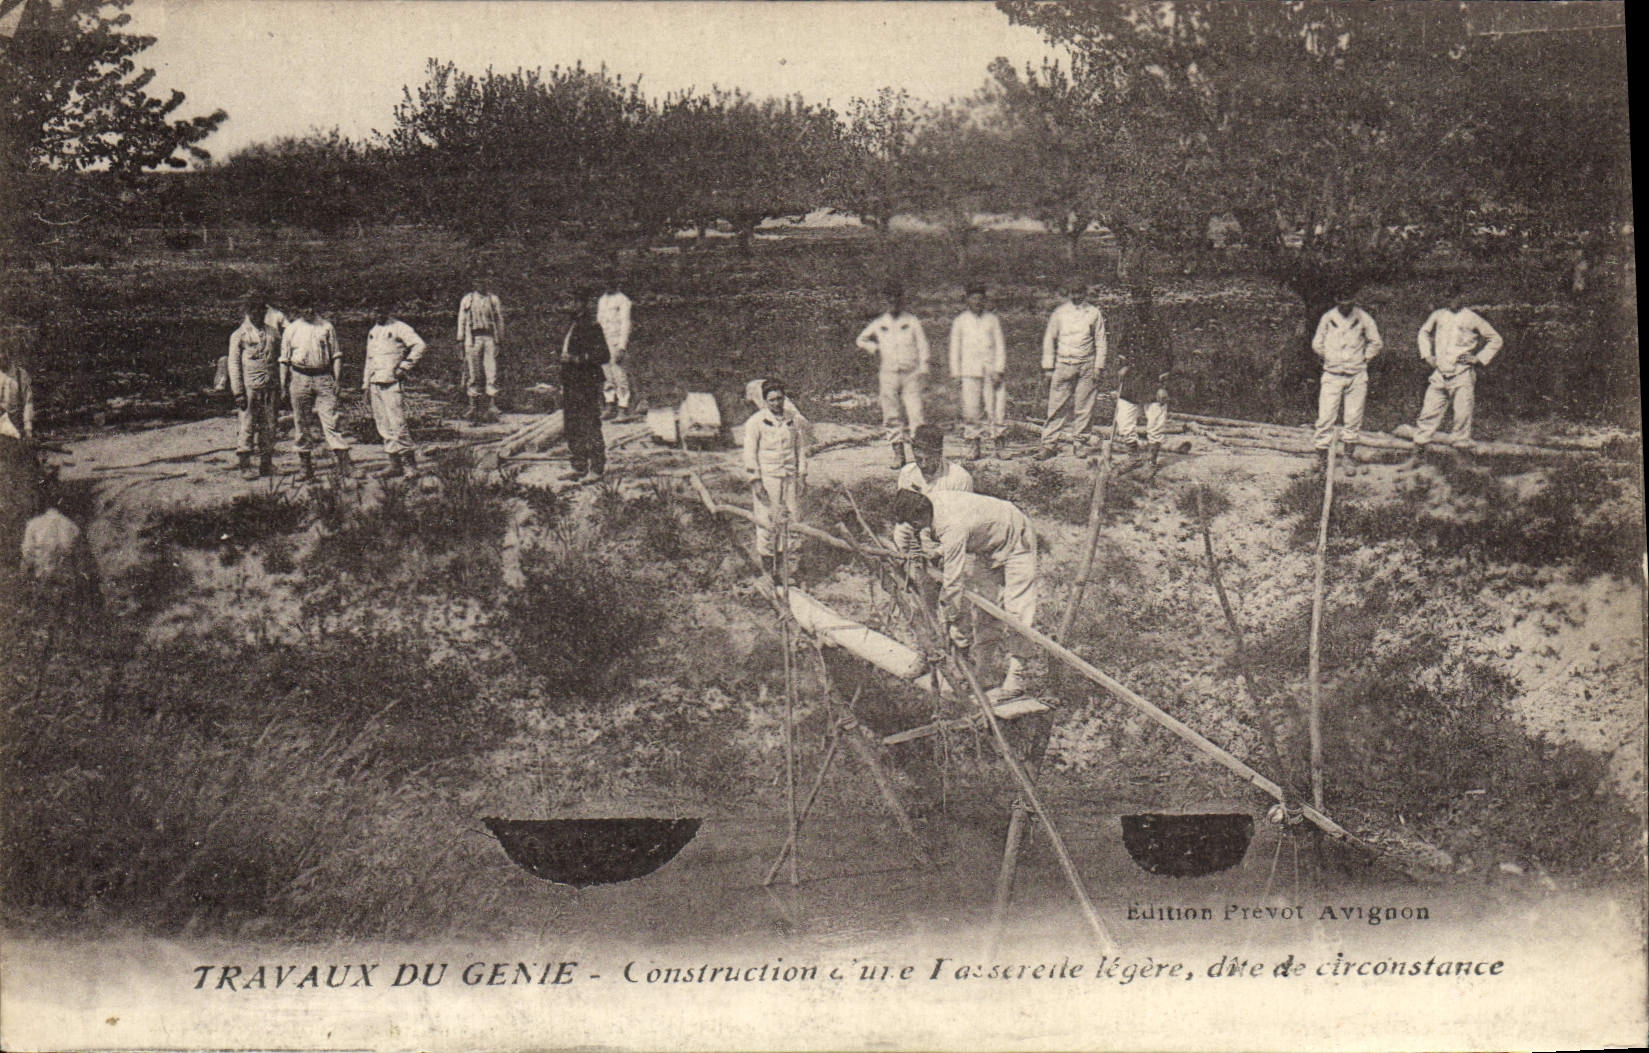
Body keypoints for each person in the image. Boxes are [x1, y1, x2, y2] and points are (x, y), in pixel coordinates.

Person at [888, 488, 1041, 699]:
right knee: (987, 611)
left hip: (1017, 538)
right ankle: (982, 674)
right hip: (987, 546)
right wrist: (932, 554)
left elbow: (953, 583)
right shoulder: (926, 506)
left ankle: (1018, 676)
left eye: (913, 524)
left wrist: (955, 627)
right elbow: (967, 532)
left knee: (1017, 611)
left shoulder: (952, 526)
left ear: (919, 518)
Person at [1406, 286, 1504, 464]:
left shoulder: (1472, 317)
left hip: (1462, 373)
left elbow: (1495, 339)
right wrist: (1427, 355)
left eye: (1454, 296)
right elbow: (1423, 332)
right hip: (1440, 373)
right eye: (1447, 296)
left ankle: (1462, 460)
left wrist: (1478, 358)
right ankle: (1417, 457)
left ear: (1462, 297)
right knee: (1427, 413)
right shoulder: (1438, 315)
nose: (1451, 300)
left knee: (1462, 415)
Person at [279, 293, 359, 481]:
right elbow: (284, 359)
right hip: (299, 377)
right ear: (298, 309)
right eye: (303, 306)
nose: (308, 310)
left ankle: (346, 465)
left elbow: (336, 355)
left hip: (323, 376)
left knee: (331, 421)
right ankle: (305, 468)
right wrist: (283, 384)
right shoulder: (291, 329)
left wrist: (337, 381)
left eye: (311, 305)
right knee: (301, 423)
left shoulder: (326, 326)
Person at [856, 283, 930, 469]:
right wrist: (875, 348)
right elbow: (861, 339)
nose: (893, 303)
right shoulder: (880, 323)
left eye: (896, 299)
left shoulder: (911, 321)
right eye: (889, 299)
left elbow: (922, 345)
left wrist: (924, 367)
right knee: (891, 414)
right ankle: (898, 453)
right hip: (888, 373)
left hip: (911, 373)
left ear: (901, 300)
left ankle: (919, 454)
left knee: (916, 414)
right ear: (884, 301)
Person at [1309, 293, 1383, 477]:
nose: (1346, 305)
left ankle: (1348, 458)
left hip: (1356, 375)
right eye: (1342, 301)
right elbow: (1317, 343)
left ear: (1354, 301)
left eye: (1349, 301)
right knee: (1325, 417)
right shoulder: (1328, 317)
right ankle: (1322, 459)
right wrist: (1329, 357)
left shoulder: (1363, 318)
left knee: (1353, 418)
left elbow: (1376, 342)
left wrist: (1364, 358)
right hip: (1332, 375)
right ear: (1336, 301)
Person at [742, 379, 808, 584]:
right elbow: (749, 453)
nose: (776, 404)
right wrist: (755, 480)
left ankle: (784, 571)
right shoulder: (756, 422)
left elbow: (801, 449)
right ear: (765, 401)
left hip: (789, 477)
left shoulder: (793, 420)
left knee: (790, 521)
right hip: (768, 478)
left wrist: (802, 475)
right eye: (772, 400)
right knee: (767, 522)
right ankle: (768, 573)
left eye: (780, 399)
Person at [1113, 286, 1177, 482]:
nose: (1140, 306)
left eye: (1144, 302)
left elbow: (1167, 356)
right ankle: (1133, 457)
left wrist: (1163, 386)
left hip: (1153, 381)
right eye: (1137, 302)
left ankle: (1151, 461)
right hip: (1132, 379)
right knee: (1124, 421)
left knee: (1155, 423)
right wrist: (1122, 365)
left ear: (1150, 303)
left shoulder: (1159, 325)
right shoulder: (1130, 323)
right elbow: (1122, 347)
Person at [1039, 279, 1107, 459]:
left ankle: (1080, 443)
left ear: (1085, 294)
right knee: (1056, 406)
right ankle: (1049, 444)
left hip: (1086, 364)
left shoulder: (1094, 313)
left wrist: (1099, 366)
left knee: (1084, 406)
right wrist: (1048, 367)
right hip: (1063, 364)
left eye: (1080, 293)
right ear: (1068, 294)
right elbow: (1049, 339)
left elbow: (1101, 341)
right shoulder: (1059, 313)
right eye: (1073, 293)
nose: (1076, 297)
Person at [362, 305, 428, 479]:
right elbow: (369, 359)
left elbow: (419, 345)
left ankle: (410, 466)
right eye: (374, 310)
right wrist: (365, 385)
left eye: (380, 310)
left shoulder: (400, 327)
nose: (377, 313)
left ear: (387, 310)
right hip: (375, 382)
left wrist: (405, 366)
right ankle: (394, 464)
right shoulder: (373, 331)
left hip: (392, 383)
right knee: (383, 426)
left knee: (398, 425)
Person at [948, 283, 1008, 461]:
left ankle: (999, 445)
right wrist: (956, 373)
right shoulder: (960, 321)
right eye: (973, 298)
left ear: (985, 300)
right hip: (969, 371)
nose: (977, 302)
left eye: (980, 298)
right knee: (971, 410)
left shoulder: (992, 320)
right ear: (967, 299)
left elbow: (1000, 346)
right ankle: (973, 445)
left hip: (991, 372)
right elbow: (954, 349)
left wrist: (998, 370)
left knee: (996, 408)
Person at [227, 296, 282, 480]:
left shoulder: (273, 333)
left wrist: (281, 384)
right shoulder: (239, 335)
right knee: (247, 425)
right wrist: (238, 392)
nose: (258, 315)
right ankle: (245, 465)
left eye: (262, 311)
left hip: (270, 386)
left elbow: (279, 359)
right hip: (250, 388)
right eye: (254, 311)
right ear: (248, 313)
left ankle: (266, 464)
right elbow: (233, 365)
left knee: (269, 425)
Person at [558, 288, 609, 484]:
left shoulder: (592, 326)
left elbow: (604, 355)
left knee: (589, 423)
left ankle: (597, 468)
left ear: (582, 304)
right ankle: (579, 465)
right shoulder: (571, 325)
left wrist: (577, 359)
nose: (569, 305)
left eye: (573, 301)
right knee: (572, 424)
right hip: (571, 382)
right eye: (568, 301)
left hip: (586, 382)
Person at [457, 275, 505, 422]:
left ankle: (492, 405)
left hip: (489, 337)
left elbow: (499, 320)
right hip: (473, 338)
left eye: (484, 282)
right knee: (472, 371)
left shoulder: (493, 299)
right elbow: (462, 320)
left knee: (491, 370)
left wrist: (499, 341)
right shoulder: (468, 299)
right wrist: (460, 339)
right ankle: (473, 405)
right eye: (478, 281)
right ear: (474, 283)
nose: (481, 285)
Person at [597, 276, 634, 421]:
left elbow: (626, 324)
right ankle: (610, 405)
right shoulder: (602, 300)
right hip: (604, 341)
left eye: (611, 282)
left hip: (616, 341)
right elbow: (600, 323)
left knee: (620, 375)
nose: (608, 285)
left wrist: (622, 347)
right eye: (606, 282)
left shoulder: (623, 300)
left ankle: (623, 408)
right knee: (607, 375)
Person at [0, 335, 34, 442]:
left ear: (9, 354)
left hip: (16, 428)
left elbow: (28, 402)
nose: (1, 357)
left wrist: (28, 428)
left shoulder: (20, 375)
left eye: (3, 353)